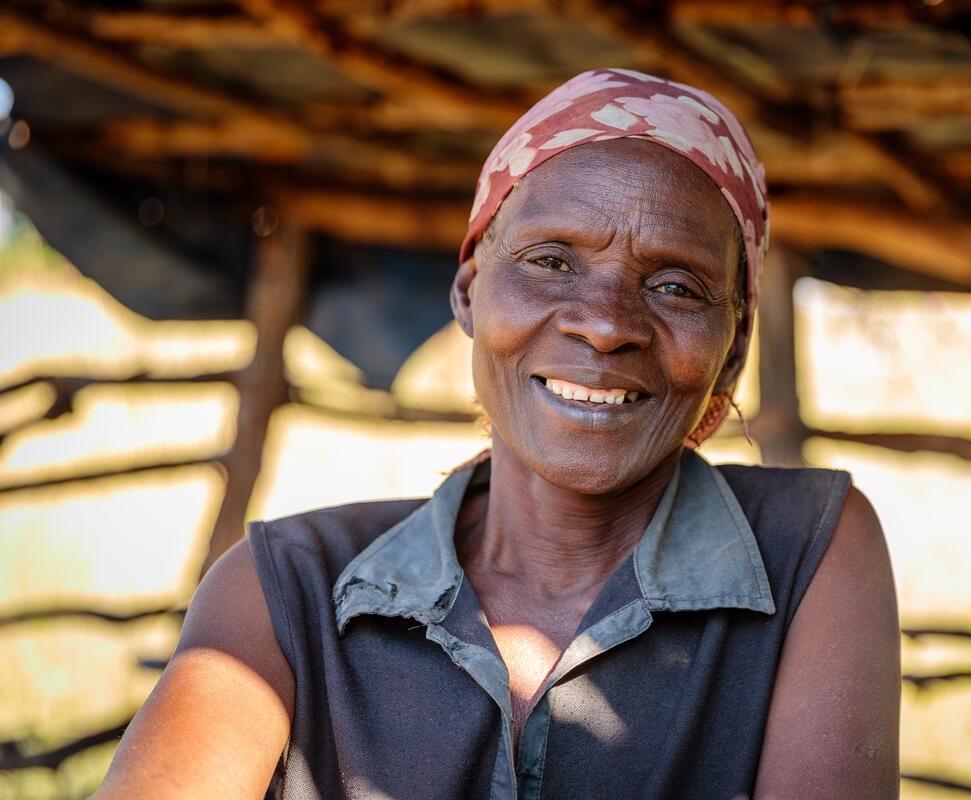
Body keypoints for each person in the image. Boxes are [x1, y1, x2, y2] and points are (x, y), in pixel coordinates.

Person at [95, 68, 899, 799]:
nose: (605, 324)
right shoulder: (283, 594)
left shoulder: (805, 553)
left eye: (677, 286)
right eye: (551, 261)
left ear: (733, 353)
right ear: (470, 292)